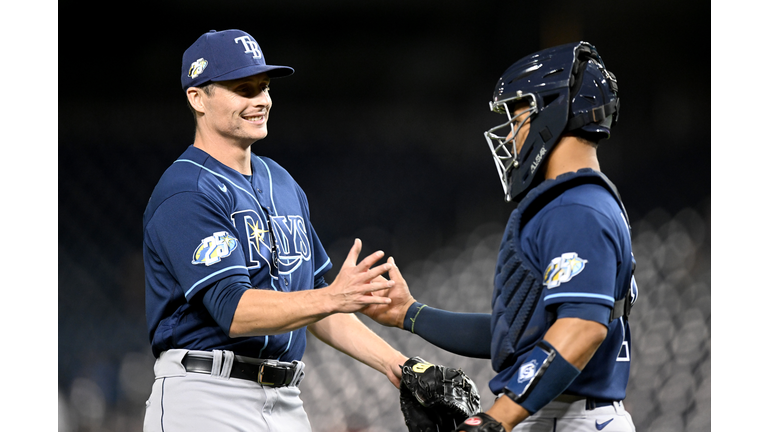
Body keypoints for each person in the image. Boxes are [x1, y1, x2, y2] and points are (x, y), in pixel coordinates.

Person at [142, 29, 411, 431]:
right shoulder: (186, 191)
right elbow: (233, 310)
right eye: (242, 89)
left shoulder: (281, 182)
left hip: (285, 398)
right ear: (197, 97)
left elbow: (318, 307)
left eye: (264, 87)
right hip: (207, 395)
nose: (261, 101)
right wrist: (331, 296)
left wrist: (401, 366)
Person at [362, 42, 638, 431]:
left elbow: (582, 326)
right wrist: (410, 314)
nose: (510, 133)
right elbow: (517, 334)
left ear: (553, 110)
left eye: (518, 115)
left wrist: (496, 419)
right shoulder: (577, 201)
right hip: (557, 413)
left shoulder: (576, 209)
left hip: (571, 417)